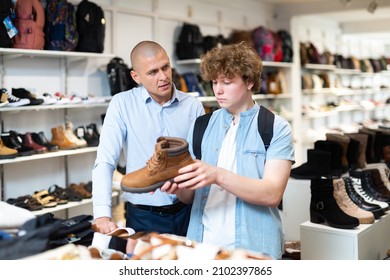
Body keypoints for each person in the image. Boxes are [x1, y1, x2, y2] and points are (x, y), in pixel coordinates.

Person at [161, 42, 295, 259]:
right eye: (214, 82)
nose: (218, 90)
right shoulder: (201, 126)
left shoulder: (275, 127)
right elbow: (189, 197)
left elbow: (272, 193)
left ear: (249, 81)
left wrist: (216, 174)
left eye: (227, 82)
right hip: (203, 245)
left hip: (254, 247)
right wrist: (176, 187)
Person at [92, 41, 205, 237]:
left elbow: (201, 161)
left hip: (189, 212)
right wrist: (102, 214)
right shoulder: (122, 104)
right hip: (143, 216)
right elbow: (105, 160)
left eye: (165, 67)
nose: (163, 77)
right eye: (153, 72)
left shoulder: (192, 105)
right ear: (136, 77)